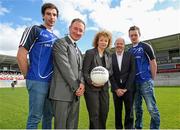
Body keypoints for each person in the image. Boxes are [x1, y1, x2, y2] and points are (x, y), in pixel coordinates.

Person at [16, 3, 59, 129]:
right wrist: (27, 76)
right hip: (37, 81)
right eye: (48, 14)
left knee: (48, 116)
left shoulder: (57, 38)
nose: (52, 17)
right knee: (35, 118)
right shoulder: (34, 30)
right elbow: (21, 54)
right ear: (43, 15)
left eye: (54, 15)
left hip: (52, 84)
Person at [49, 18, 85, 129]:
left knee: (72, 126)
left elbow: (81, 70)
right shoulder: (60, 43)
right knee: (61, 126)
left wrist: (82, 84)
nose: (77, 32)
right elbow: (65, 67)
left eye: (80, 30)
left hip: (75, 95)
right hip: (61, 94)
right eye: (75, 28)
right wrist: (77, 87)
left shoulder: (78, 50)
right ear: (69, 28)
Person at [128, 26, 160, 129]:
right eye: (131, 35)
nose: (133, 37)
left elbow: (153, 62)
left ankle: (154, 128)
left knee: (151, 108)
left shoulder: (146, 46)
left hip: (146, 82)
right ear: (129, 36)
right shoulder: (129, 51)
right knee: (137, 108)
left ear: (139, 35)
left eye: (135, 35)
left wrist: (151, 78)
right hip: (134, 84)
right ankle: (138, 127)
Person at [83, 30, 113, 129]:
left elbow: (111, 71)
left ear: (108, 42)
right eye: (101, 40)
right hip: (91, 89)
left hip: (104, 88)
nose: (103, 42)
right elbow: (85, 71)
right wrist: (92, 82)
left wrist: (105, 76)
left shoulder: (108, 55)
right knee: (94, 114)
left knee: (104, 112)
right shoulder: (90, 53)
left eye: (106, 41)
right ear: (97, 41)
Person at [110, 37, 135, 129]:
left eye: (121, 43)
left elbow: (132, 72)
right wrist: (116, 89)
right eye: (117, 43)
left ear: (124, 45)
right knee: (118, 111)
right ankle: (118, 128)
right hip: (116, 89)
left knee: (129, 110)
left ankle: (129, 128)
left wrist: (126, 88)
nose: (119, 45)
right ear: (115, 45)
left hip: (128, 89)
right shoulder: (110, 57)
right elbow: (110, 74)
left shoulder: (130, 55)